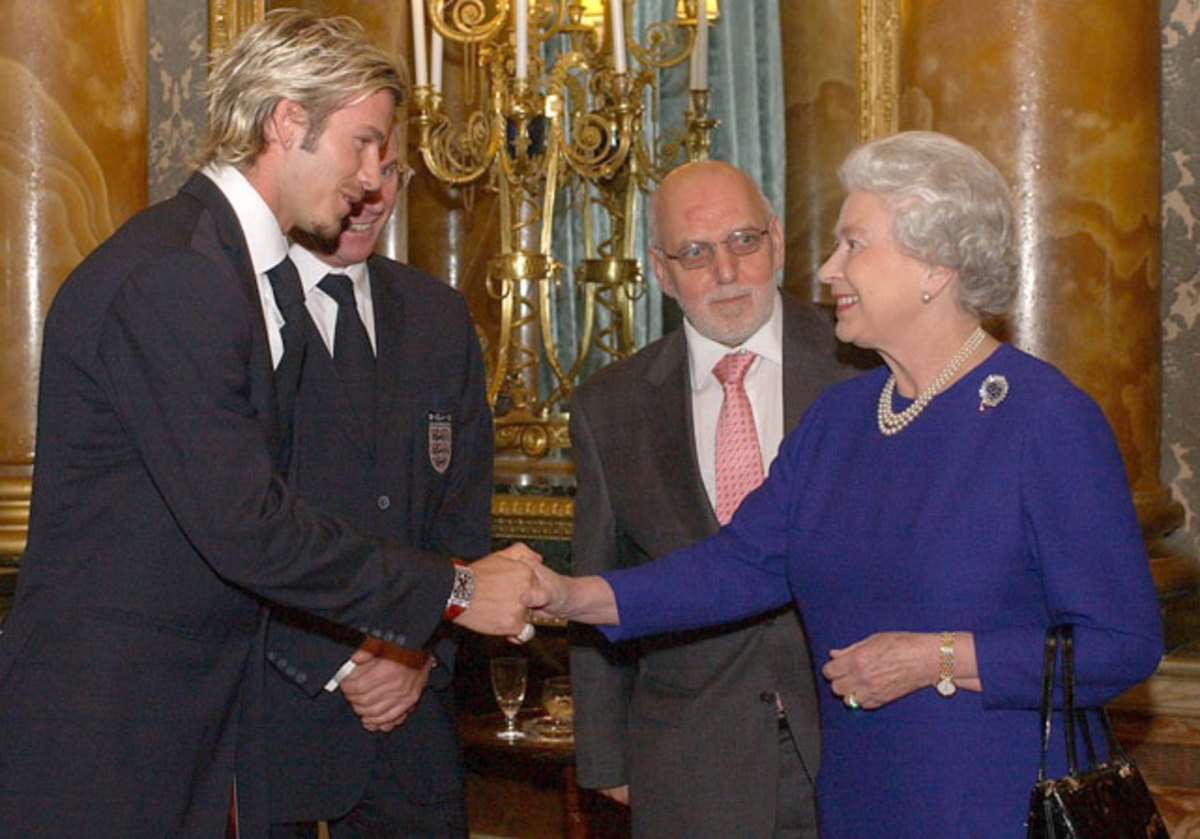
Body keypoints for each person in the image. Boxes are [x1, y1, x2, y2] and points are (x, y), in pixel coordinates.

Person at [531, 131, 1164, 837]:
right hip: (860, 803)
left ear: (935, 264)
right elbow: (733, 566)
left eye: (853, 244)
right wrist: (568, 594)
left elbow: (1122, 644)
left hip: (993, 801)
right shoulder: (840, 418)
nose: (828, 268)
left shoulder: (1043, 418)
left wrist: (937, 657)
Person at [0, 11, 539, 839]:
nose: (373, 177)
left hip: (189, 723)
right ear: (288, 121)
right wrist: (457, 589)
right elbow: (251, 526)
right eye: (363, 143)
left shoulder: (242, 274)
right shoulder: (178, 275)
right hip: (111, 732)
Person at [568, 160, 856, 838]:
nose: (726, 271)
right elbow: (599, 575)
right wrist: (605, 756)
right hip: (689, 762)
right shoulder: (611, 406)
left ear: (777, 241)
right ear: (661, 272)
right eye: (695, 253)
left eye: (743, 241)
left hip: (851, 737)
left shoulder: (858, 365)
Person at [264, 128, 487, 838]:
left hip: (414, 728)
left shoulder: (438, 315)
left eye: (390, 172)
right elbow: (230, 523)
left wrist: (417, 650)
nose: (372, 195)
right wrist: (338, 661)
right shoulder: (240, 308)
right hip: (272, 720)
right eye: (357, 170)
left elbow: (463, 517)